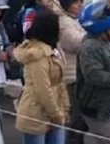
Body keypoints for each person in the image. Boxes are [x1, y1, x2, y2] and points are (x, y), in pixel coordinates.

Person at [14, 10, 69, 144]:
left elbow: (60, 82)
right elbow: (42, 89)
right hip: (35, 112)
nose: (61, 30)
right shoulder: (37, 55)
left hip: (55, 108)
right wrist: (56, 114)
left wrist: (65, 107)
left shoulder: (54, 49)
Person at [76, 0, 110, 142]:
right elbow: (94, 76)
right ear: (104, 29)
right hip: (101, 111)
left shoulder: (108, 43)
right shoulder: (90, 47)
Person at [55, 0, 87, 144]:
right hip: (71, 76)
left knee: (79, 116)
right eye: (76, 2)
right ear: (68, 5)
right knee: (75, 117)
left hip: (78, 74)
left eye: (81, 2)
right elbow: (74, 43)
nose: (80, 5)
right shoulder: (64, 22)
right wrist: (92, 36)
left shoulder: (75, 20)